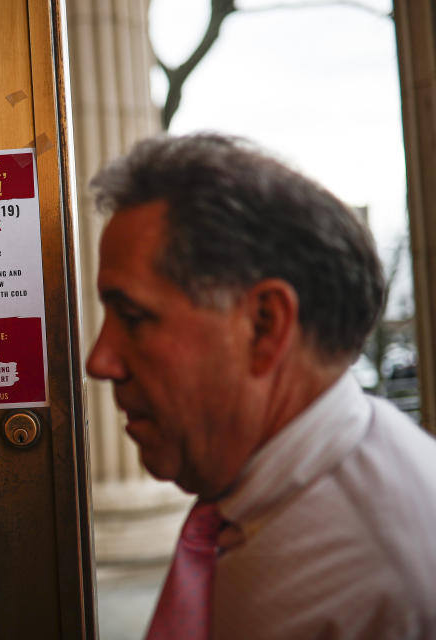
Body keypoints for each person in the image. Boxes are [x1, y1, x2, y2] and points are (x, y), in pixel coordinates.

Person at [86, 133, 436, 639]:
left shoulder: (387, 582)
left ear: (264, 324)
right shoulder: (258, 503)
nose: (101, 361)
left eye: (133, 317)